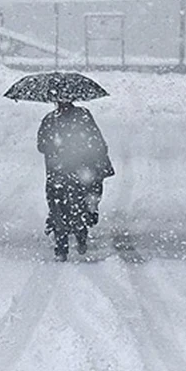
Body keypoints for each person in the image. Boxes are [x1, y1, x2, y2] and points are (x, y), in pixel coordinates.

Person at [37, 100, 113, 261]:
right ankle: (80, 237)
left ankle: (62, 247)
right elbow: (96, 141)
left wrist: (57, 148)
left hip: (58, 173)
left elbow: (41, 146)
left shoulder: (50, 119)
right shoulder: (83, 116)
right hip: (80, 171)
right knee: (79, 205)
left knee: (58, 207)